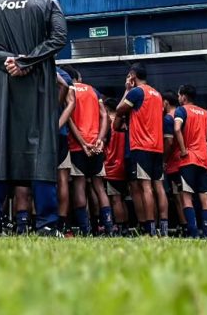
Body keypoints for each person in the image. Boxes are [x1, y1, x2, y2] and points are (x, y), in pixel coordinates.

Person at [0, 0, 67, 237]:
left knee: (0, 149)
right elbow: (60, 38)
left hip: (3, 89)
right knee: (41, 150)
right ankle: (47, 224)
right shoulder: (48, 1)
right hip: (38, 90)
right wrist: (27, 61)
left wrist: (5, 59)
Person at [116, 64, 168, 237]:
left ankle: (150, 228)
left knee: (145, 187)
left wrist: (126, 89)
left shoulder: (137, 92)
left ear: (132, 75)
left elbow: (119, 109)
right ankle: (164, 228)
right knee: (158, 187)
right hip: (157, 146)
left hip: (141, 145)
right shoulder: (157, 95)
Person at [173, 85, 207, 238]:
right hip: (203, 160)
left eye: (179, 96)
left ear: (183, 97)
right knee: (205, 197)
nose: (178, 99)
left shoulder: (181, 110)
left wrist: (183, 150)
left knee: (186, 196)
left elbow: (177, 129)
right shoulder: (205, 113)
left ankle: (193, 233)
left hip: (188, 159)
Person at [66, 67, 113, 236]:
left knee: (79, 185)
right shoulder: (93, 90)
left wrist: (83, 142)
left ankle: (85, 230)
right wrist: (99, 139)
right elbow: (104, 115)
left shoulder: (68, 91)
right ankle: (108, 228)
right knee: (99, 187)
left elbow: (69, 118)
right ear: (78, 77)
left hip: (78, 145)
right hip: (96, 144)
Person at [162, 90, 187, 236]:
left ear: (165, 102)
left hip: (174, 163)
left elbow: (169, 142)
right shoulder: (183, 114)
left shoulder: (168, 118)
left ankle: (185, 226)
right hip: (186, 160)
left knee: (179, 197)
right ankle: (188, 225)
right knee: (186, 195)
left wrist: (164, 160)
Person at [103, 98, 128, 236]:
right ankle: (125, 226)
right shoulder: (123, 124)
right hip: (123, 165)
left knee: (115, 199)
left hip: (112, 165)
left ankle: (118, 227)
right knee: (122, 198)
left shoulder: (108, 123)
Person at [56, 66, 76, 234]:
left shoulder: (30, 68)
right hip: (59, 134)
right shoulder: (63, 75)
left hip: (36, 135)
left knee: (37, 179)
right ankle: (61, 224)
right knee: (62, 179)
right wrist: (57, 126)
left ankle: (34, 222)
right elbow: (71, 104)